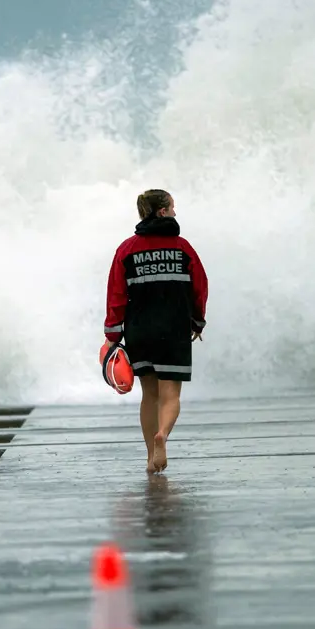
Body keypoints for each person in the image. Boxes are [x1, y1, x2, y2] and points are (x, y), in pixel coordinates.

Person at [104, 189, 208, 474]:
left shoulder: (127, 249)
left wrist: (112, 336)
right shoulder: (183, 248)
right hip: (174, 328)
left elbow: (116, 294)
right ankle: (163, 434)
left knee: (149, 395)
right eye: (172, 207)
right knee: (170, 395)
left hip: (139, 330)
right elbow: (199, 287)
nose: (175, 212)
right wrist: (198, 322)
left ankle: (151, 455)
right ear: (162, 212)